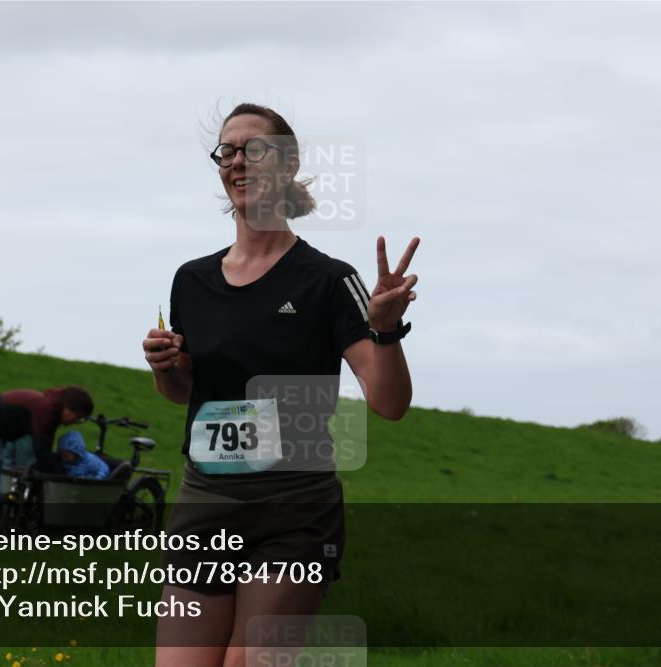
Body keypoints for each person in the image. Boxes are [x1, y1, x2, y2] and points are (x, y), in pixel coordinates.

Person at [143, 102, 419, 667]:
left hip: (293, 508)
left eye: (254, 149)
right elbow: (184, 393)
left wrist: (386, 331)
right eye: (227, 151)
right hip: (205, 500)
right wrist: (165, 367)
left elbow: (390, 404)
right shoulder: (191, 281)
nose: (237, 161)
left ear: (288, 164)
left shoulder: (330, 280)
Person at [0, 385, 94, 531]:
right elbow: (41, 451)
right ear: (69, 409)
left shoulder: (51, 408)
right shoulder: (47, 411)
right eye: (78, 418)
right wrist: (62, 476)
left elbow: (43, 450)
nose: (76, 422)